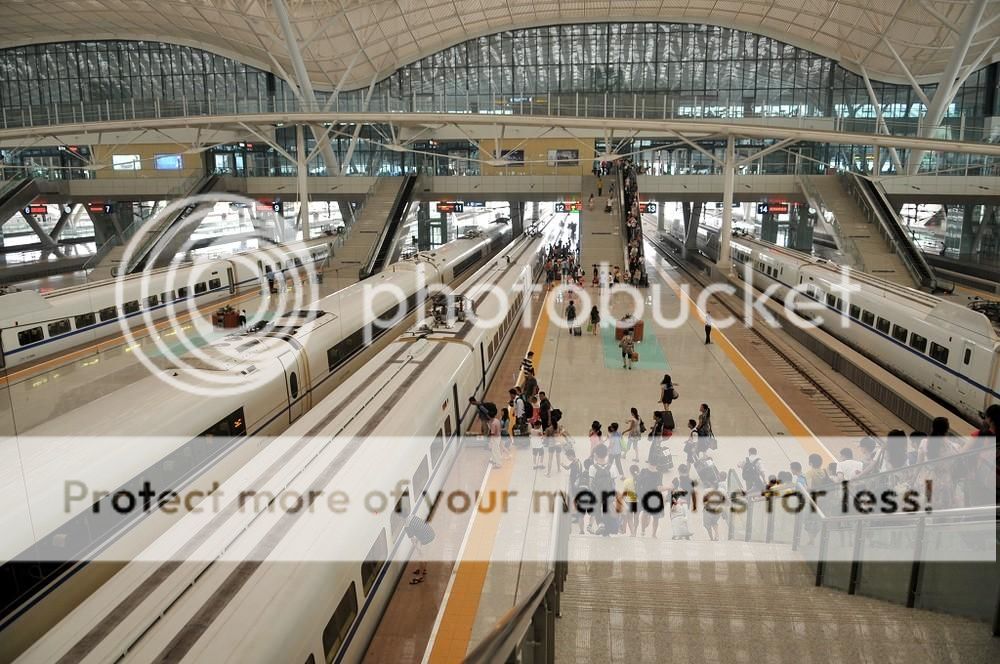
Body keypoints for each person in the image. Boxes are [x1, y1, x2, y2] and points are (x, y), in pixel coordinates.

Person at [405, 515, 436, 584]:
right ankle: (423, 569)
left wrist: (419, 550)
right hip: (431, 534)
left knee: (422, 557)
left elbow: (413, 542)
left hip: (427, 539)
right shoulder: (412, 516)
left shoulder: (407, 525)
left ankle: (420, 577)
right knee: (424, 556)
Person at [623, 465, 640, 536]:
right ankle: (635, 531)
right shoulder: (640, 480)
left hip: (629, 501)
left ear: (630, 472)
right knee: (636, 517)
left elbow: (625, 493)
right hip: (638, 501)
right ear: (638, 471)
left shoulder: (627, 481)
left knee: (630, 518)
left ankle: (632, 533)